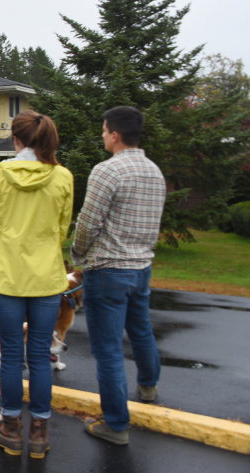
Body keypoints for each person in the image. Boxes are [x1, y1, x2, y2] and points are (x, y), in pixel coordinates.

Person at [0, 110, 73, 459]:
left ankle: (9, 429)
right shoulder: (63, 176)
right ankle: (39, 433)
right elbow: (62, 228)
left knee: (10, 354)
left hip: (7, 275)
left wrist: (5, 252)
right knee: (39, 356)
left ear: (16, 139)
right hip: (47, 278)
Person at [72, 106, 165, 446]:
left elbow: (88, 222)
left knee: (108, 348)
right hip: (142, 267)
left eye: (103, 129)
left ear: (114, 134)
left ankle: (115, 424)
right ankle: (149, 385)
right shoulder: (155, 172)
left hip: (108, 268)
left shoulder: (107, 171)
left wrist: (77, 255)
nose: (102, 134)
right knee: (141, 330)